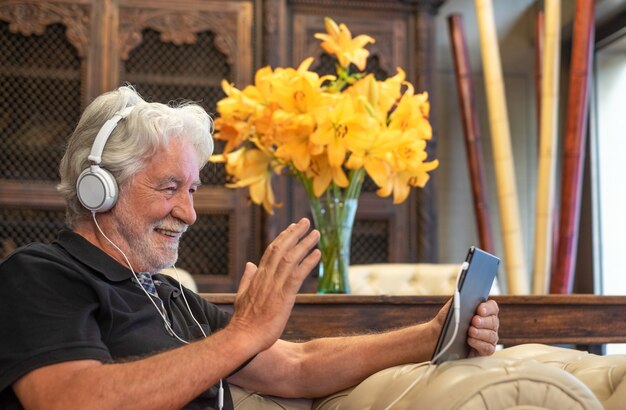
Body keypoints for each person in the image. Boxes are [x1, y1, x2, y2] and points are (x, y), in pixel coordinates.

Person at [0, 86, 499, 409]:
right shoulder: (40, 274)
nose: (189, 213)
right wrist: (241, 334)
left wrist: (436, 333)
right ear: (98, 187)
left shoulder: (167, 296)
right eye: (169, 188)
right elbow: (70, 400)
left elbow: (299, 366)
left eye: (192, 191)